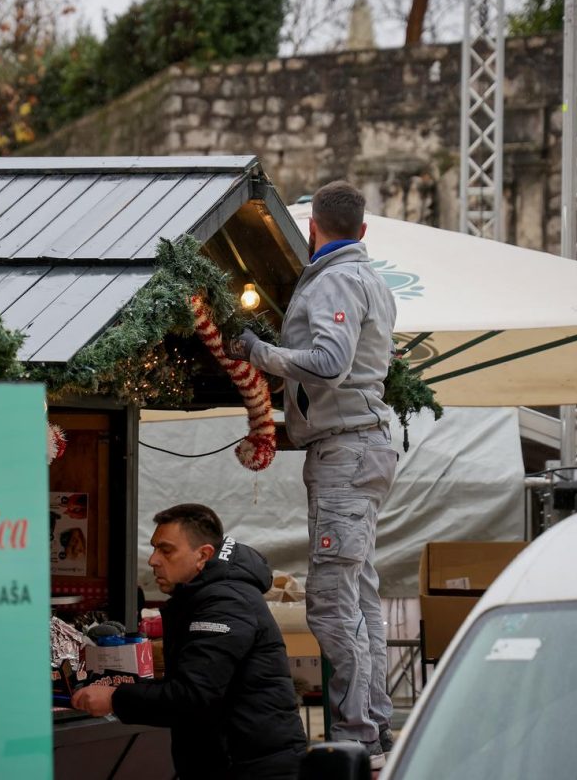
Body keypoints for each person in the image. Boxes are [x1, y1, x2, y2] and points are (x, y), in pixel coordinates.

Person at [225, 180, 398, 769]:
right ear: (364, 230)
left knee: (328, 602)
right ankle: (374, 722)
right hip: (363, 448)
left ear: (312, 230)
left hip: (346, 454)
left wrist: (259, 352)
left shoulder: (336, 281)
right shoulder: (370, 278)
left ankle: (357, 731)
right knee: (360, 594)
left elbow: (329, 364)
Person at [71, 503, 308, 779]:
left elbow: (194, 694)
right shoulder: (206, 596)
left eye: (166, 550)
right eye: (154, 547)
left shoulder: (225, 603)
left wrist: (115, 698)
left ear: (203, 555)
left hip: (252, 767)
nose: (153, 560)